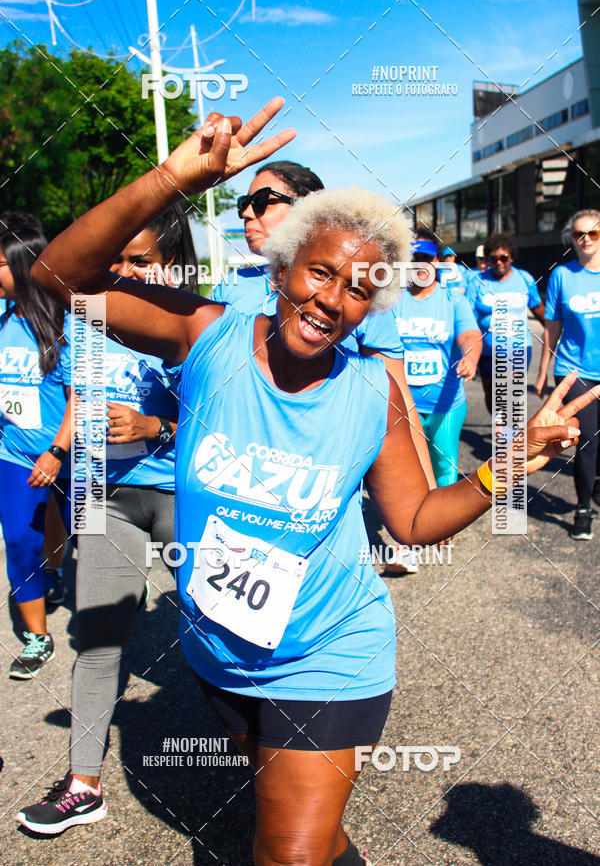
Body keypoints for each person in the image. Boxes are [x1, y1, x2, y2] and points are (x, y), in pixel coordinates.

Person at [18, 99, 595, 864]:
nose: (331, 298)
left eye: (357, 288)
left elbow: (413, 520)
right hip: (219, 652)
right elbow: (57, 275)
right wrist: (171, 179)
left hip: (329, 650)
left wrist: (504, 469)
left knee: (286, 851)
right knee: (310, 835)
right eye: (320, 271)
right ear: (282, 267)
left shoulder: (371, 394)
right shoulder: (209, 336)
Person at [15, 206, 192, 834]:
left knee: (227, 633)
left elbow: (229, 420)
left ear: (172, 263)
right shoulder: (85, 318)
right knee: (96, 640)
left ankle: (277, 763)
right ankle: (82, 786)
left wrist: (156, 425)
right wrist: (65, 452)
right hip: (106, 494)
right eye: (115, 260)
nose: (123, 271)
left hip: (183, 495)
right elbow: (76, 398)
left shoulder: (198, 321)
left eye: (140, 261)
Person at [213, 160, 437, 488]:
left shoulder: (359, 290)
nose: (247, 213)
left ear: (305, 207)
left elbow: (398, 400)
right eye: (243, 204)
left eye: (260, 202)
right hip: (234, 485)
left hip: (322, 490)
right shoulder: (229, 289)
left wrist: (426, 489)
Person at [0, 213, 71, 679]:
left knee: (83, 534)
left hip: (68, 455)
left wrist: (57, 452)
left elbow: (80, 397)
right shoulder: (1, 319)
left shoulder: (65, 323)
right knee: (20, 540)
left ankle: (66, 574)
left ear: (22, 265)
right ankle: (37, 638)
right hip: (12, 453)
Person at [393, 241, 482, 486]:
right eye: (414, 259)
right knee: (408, 469)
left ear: (437, 262)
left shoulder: (453, 299)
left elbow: (469, 334)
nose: (420, 265)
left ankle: (443, 510)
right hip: (405, 405)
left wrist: (470, 357)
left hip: (445, 404)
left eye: (427, 258)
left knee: (444, 467)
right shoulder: (394, 301)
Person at [535, 209, 600, 540]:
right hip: (575, 370)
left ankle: (595, 481)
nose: (586, 239)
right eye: (579, 234)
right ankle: (583, 509)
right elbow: (552, 327)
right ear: (571, 238)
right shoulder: (562, 275)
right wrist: (543, 370)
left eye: (593, 233)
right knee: (587, 439)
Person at [467, 234, 545, 413]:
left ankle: (509, 425)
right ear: (488, 260)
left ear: (511, 257)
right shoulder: (477, 282)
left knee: (506, 389)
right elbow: (468, 318)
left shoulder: (524, 279)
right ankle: (501, 422)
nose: (499, 262)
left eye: (503, 258)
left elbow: (538, 308)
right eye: (493, 259)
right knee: (491, 395)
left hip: (518, 348)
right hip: (487, 351)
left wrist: (555, 331)